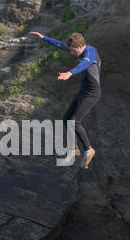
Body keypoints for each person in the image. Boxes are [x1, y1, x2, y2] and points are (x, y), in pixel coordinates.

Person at [28, 31, 101, 169]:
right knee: (66, 118)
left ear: (80, 46)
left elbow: (84, 65)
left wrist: (70, 72)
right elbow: (61, 45)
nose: (72, 54)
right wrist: (43, 37)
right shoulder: (79, 49)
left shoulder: (90, 53)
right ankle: (74, 149)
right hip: (83, 91)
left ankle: (88, 150)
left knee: (75, 122)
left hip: (92, 93)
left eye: (73, 51)